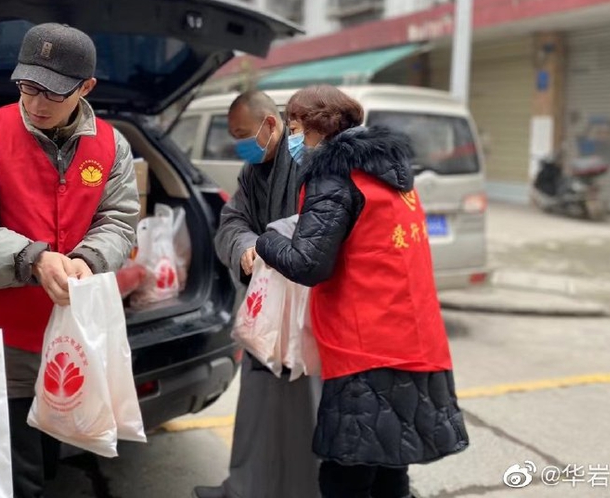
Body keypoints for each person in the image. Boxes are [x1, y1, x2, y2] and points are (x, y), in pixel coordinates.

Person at [0, 22, 139, 498]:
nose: (37, 104)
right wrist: (33, 259)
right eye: (27, 87)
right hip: (0, 341)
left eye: (53, 93)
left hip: (74, 337)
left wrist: (89, 257)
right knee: (10, 472)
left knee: (54, 457)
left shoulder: (112, 145)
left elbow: (120, 221)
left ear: (86, 88)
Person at [256, 85, 469, 498]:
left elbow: (308, 262)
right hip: (414, 339)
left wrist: (265, 241)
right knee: (390, 465)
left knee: (346, 476)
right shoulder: (392, 174)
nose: (292, 138)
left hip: (366, 348)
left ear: (318, 129)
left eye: (295, 127)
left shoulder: (333, 176)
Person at [193, 90, 320, 498]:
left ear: (270, 125)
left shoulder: (309, 162)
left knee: (306, 413)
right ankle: (248, 488)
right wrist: (245, 246)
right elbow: (231, 222)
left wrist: (268, 244)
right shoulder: (253, 173)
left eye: (243, 134)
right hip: (265, 307)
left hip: (306, 310)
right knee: (258, 407)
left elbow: (321, 226)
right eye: (233, 137)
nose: (240, 146)